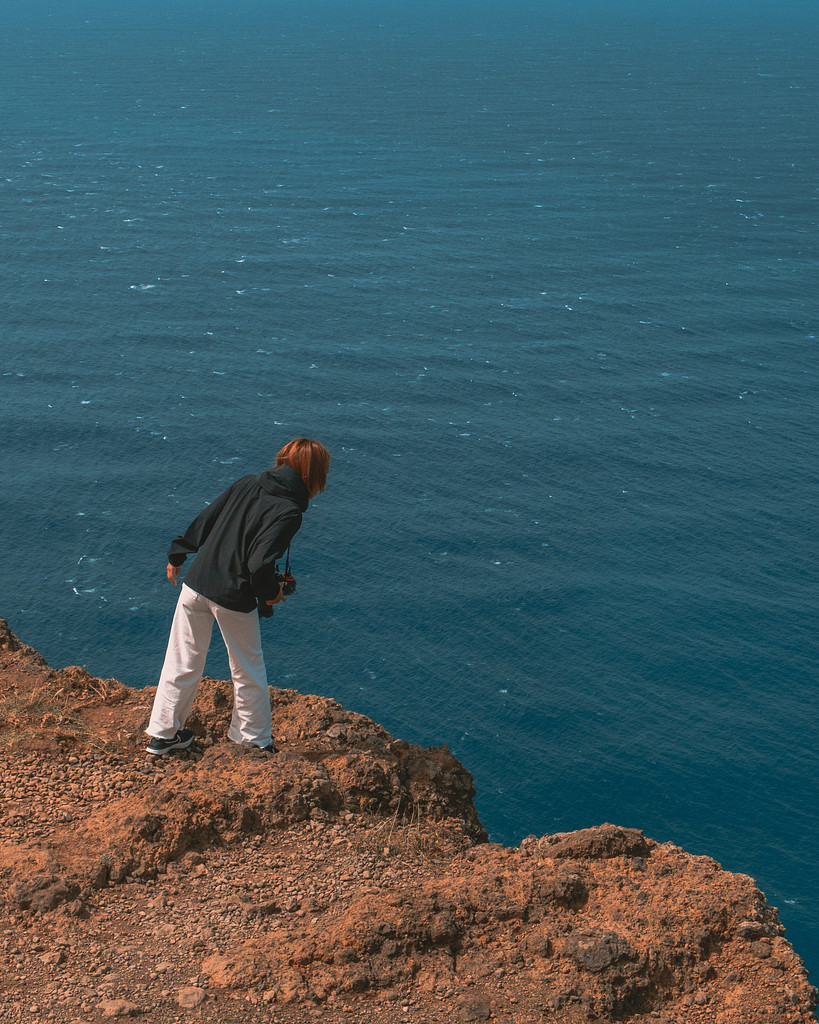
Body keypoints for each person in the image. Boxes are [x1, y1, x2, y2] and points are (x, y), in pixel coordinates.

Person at [145, 437, 330, 756]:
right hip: (232, 595)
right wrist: (271, 593)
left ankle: (163, 735)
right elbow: (258, 563)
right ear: (314, 474)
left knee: (182, 659)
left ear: (283, 459)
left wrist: (177, 555)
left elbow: (207, 519)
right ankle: (254, 740)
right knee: (248, 668)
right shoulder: (289, 511)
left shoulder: (247, 483)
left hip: (197, 583)